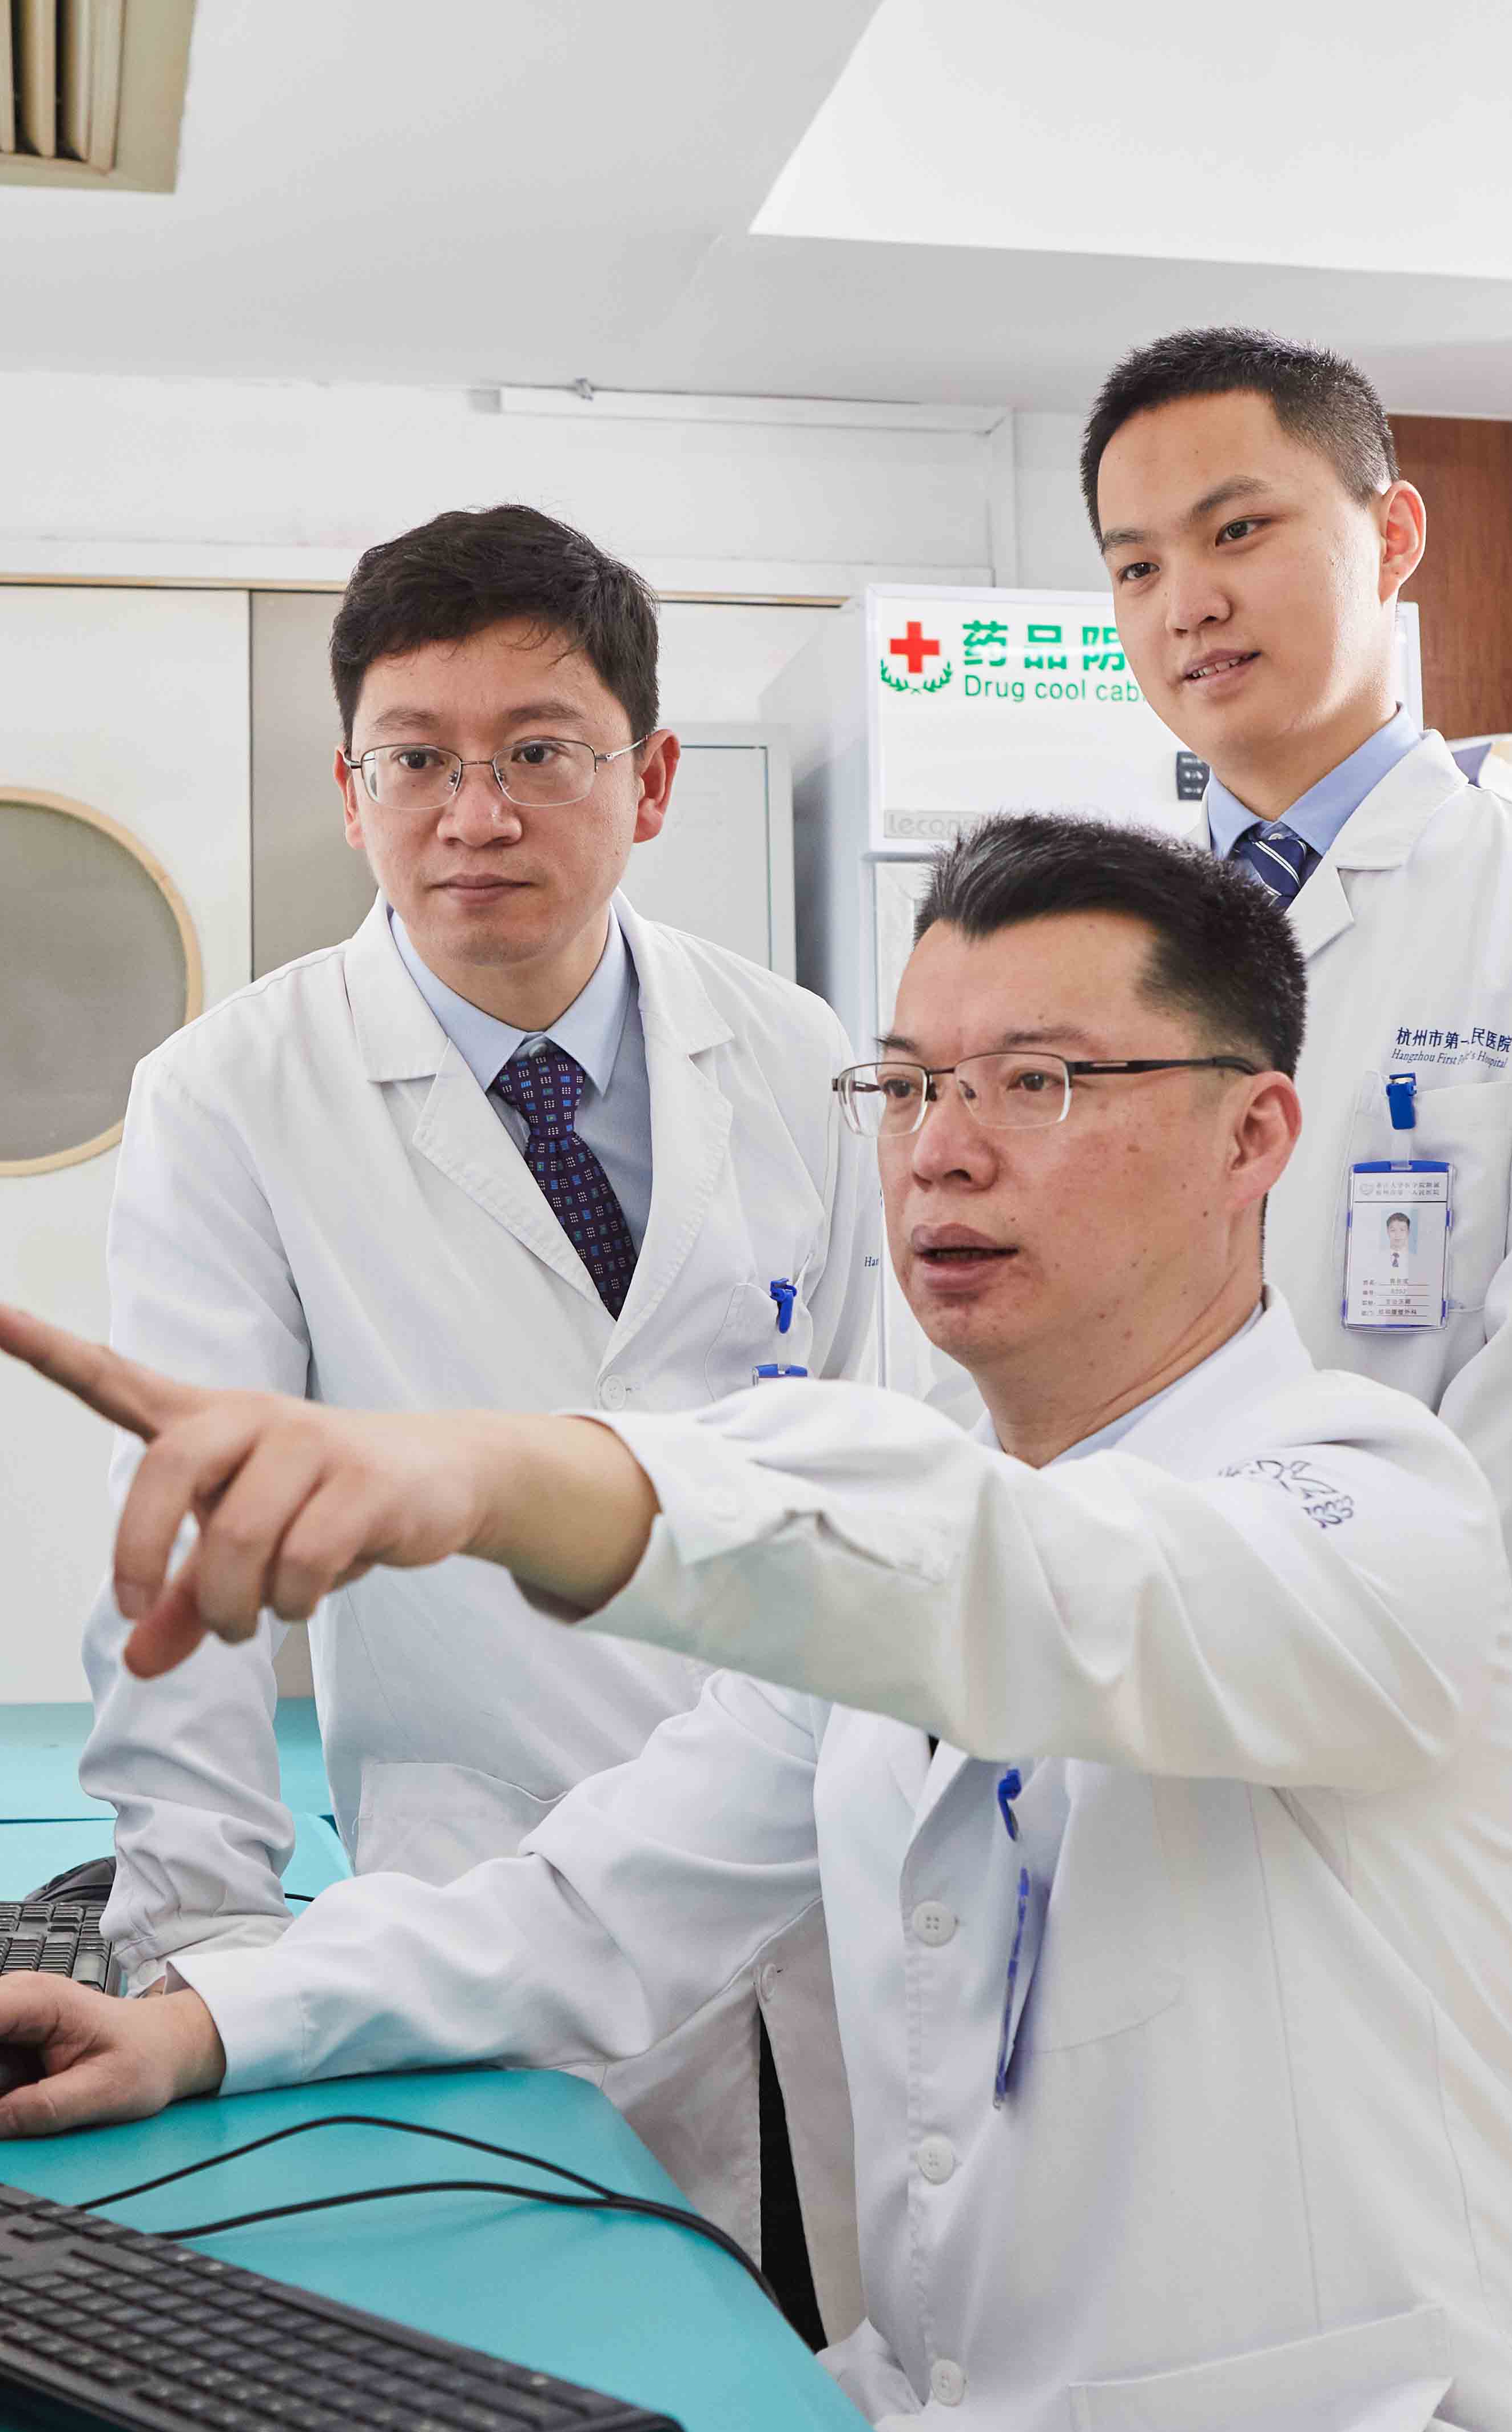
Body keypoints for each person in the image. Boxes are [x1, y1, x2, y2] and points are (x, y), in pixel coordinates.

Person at [0, 816, 1512, 2432]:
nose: (943, 1152)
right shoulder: (916, 1564)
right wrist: (199, 2025)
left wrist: (489, 1473)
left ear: (1254, 1135)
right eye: (906, 1089)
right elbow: (589, 1908)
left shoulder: (1376, 1511)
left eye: (1040, 1083)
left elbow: (1043, 1592)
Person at [71, 503, 897, 2340]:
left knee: (861, 2378)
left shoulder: (796, 1058)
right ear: (350, 790)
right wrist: (205, 1958)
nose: (477, 814)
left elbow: (884, 1487)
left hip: (819, 1889)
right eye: (418, 760)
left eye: (540, 753)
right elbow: (193, 1538)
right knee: (560, 2383)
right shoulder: (232, 1094)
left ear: (651, 780)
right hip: (483, 1907)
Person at [1083, 328, 1512, 1633]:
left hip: (1411, 1663)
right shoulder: (1091, 940)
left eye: (1238, 532)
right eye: (1137, 567)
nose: (1186, 606)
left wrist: (1322, 1649)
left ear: (1394, 536)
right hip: (1119, 1647)